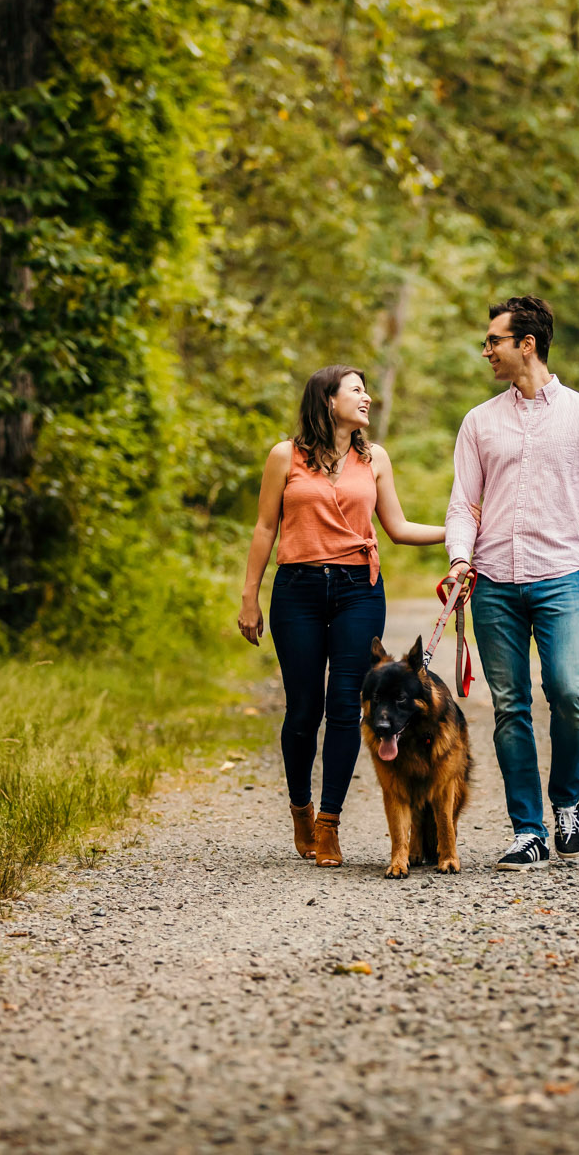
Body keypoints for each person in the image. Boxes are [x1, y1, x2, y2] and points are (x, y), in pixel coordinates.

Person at [444, 296, 579, 870]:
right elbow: (462, 505)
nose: (486, 351)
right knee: (510, 707)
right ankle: (527, 828)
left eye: (493, 341)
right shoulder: (479, 421)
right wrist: (459, 560)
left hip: (559, 580)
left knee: (570, 692)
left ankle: (567, 806)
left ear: (526, 343)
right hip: (494, 583)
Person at [238, 365, 447, 867]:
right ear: (328, 399)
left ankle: (329, 824)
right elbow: (266, 528)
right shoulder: (284, 456)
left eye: (367, 390)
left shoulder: (374, 458)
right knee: (303, 711)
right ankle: (301, 809)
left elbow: (395, 527)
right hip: (298, 590)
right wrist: (250, 596)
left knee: (347, 709)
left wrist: (458, 533)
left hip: (359, 589)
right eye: (356, 390)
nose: (367, 397)